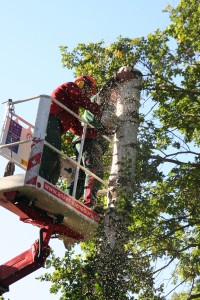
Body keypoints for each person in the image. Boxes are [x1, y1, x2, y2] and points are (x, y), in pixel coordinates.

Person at [39, 75, 102, 185]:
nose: (87, 93)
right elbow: (79, 97)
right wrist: (96, 109)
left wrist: (98, 132)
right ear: (81, 84)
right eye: (87, 89)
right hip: (50, 120)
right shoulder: (70, 87)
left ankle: (49, 186)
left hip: (57, 128)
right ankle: (40, 181)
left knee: (57, 164)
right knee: (51, 152)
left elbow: (77, 129)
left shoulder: (73, 108)